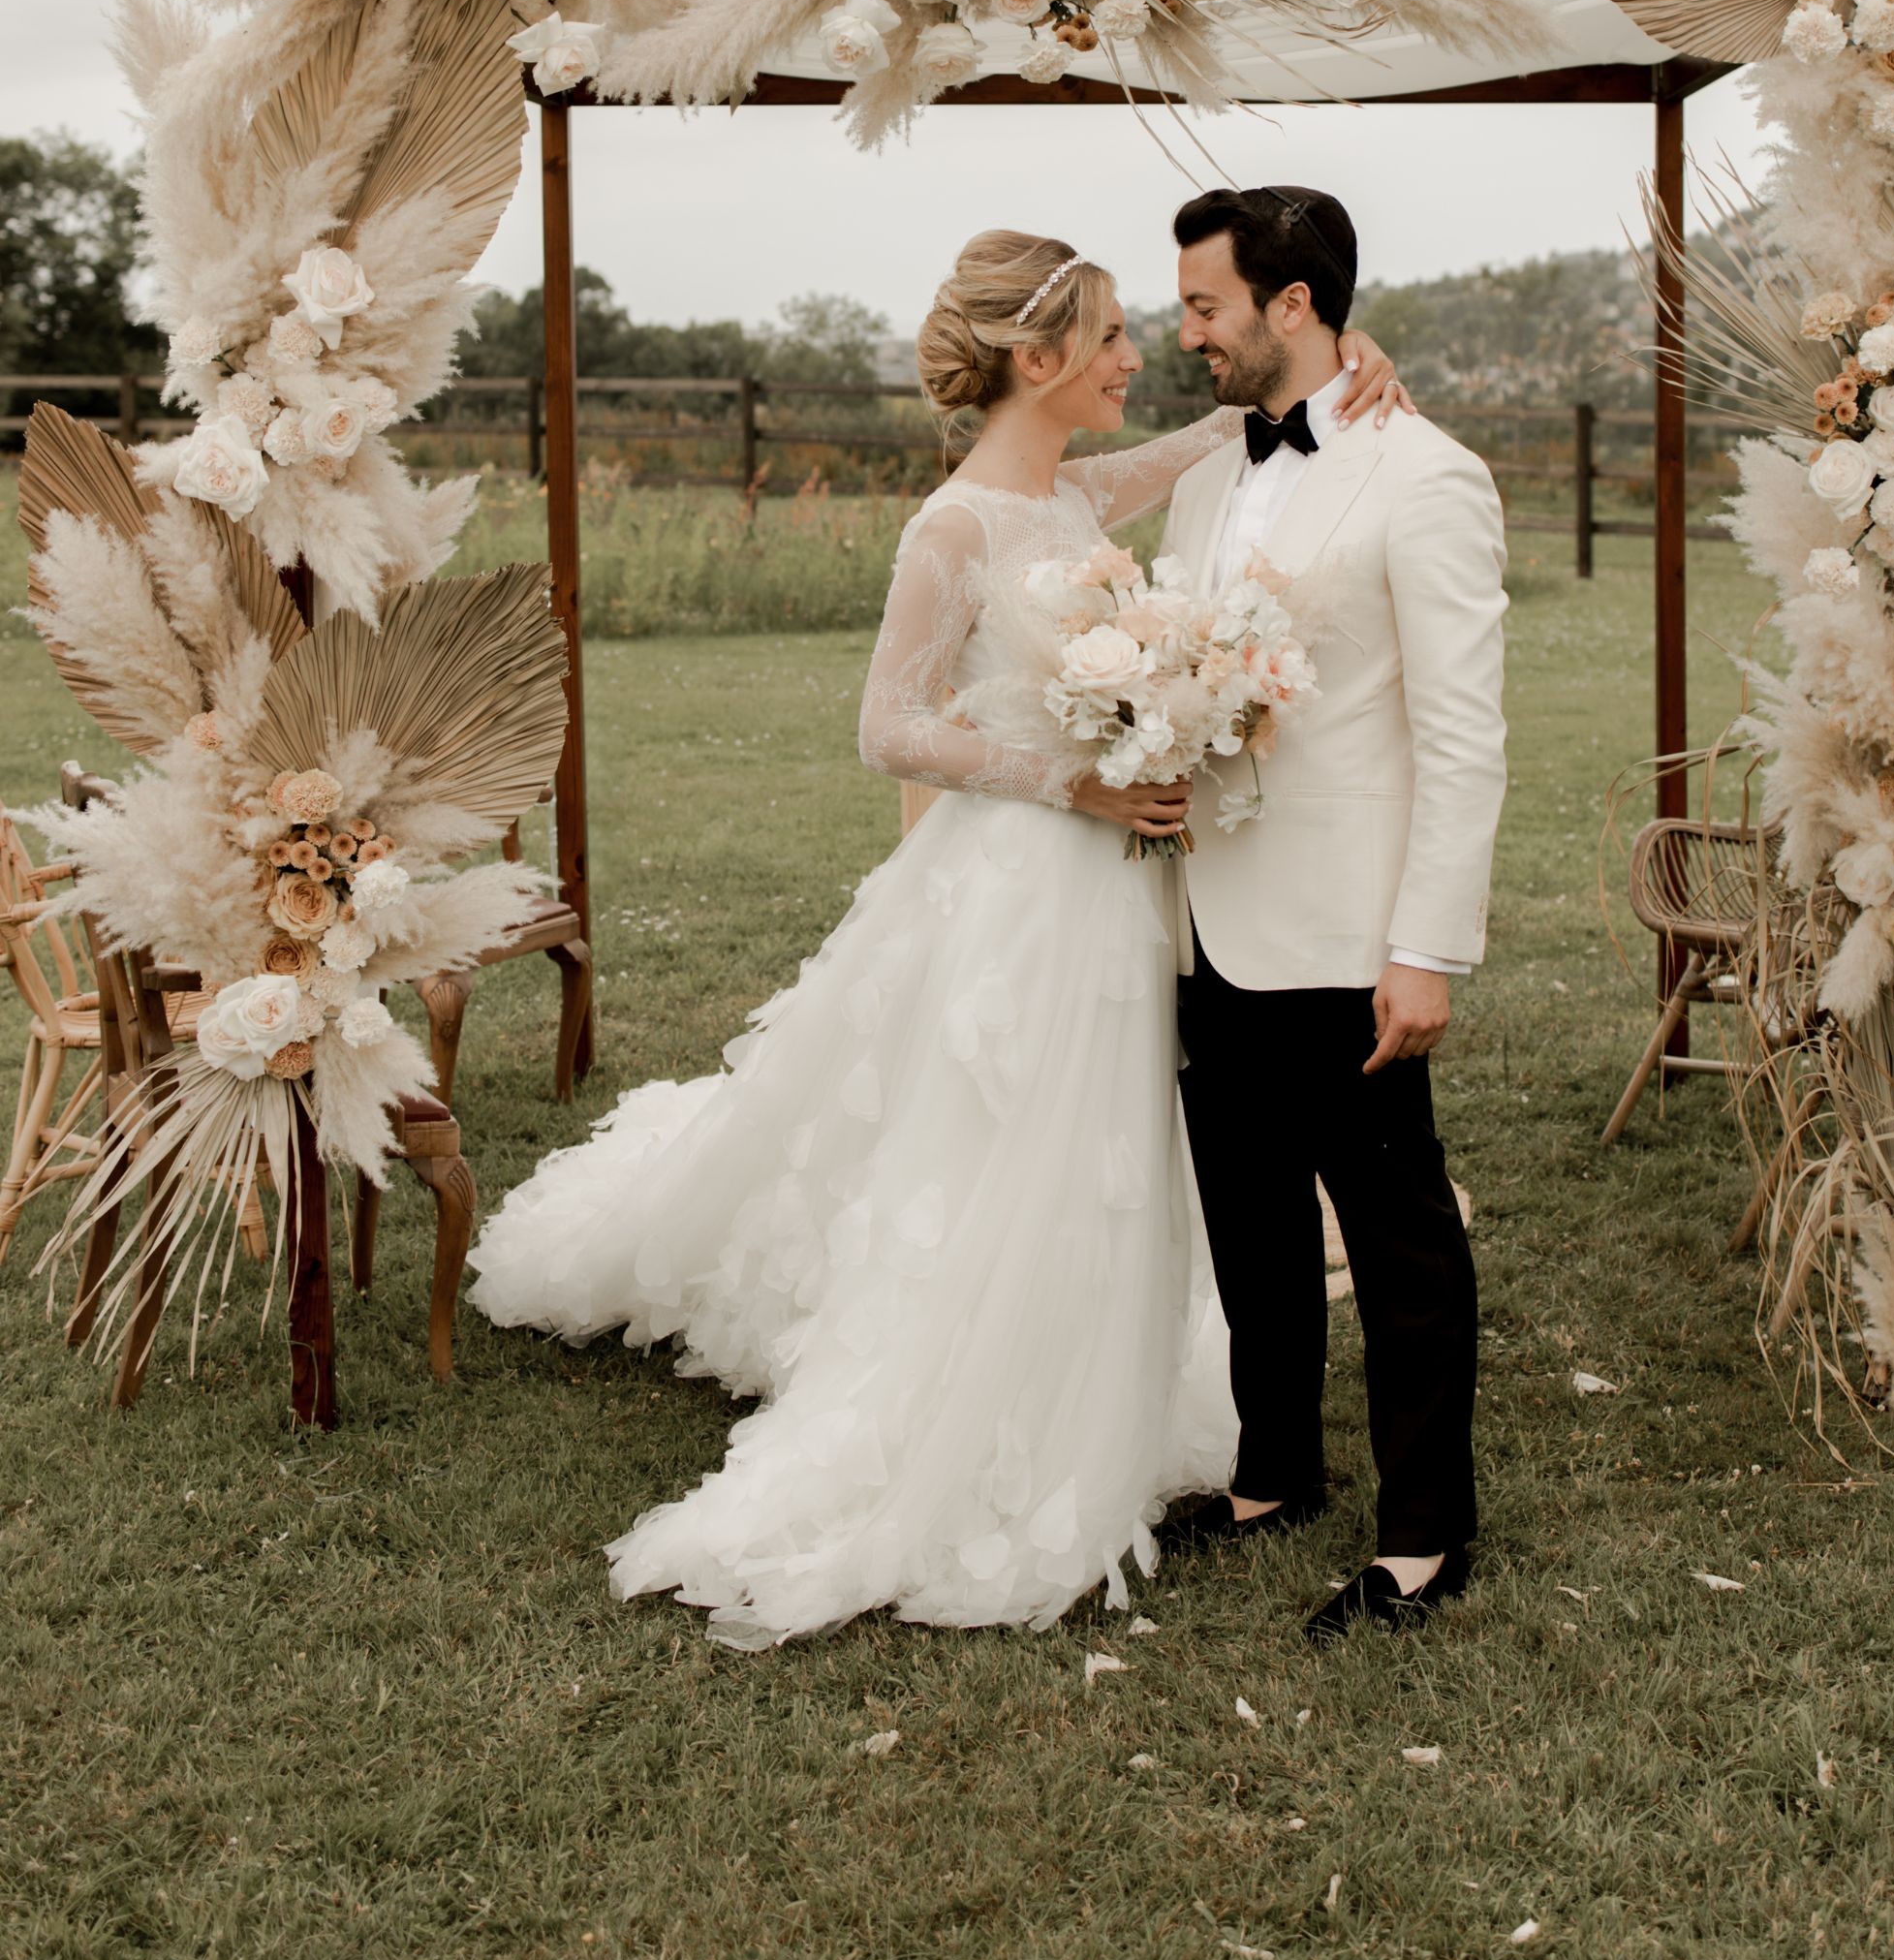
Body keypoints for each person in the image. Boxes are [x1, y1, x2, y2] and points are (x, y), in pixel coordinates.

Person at [466, 230, 1410, 1648]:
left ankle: (1090, 1361)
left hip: (1116, 887)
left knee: (1102, 1142)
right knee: (1001, 1137)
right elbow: (886, 728)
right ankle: (972, 1382)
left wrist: (1340, 373)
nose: (1135, 357)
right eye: (1107, 339)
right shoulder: (952, 530)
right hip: (1023, 878)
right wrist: (1080, 778)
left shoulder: (1083, 489)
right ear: (1039, 361)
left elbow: (1232, 422)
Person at [1159, 185, 1507, 1644]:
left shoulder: (1425, 476)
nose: (1185, 332)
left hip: (1348, 934)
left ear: (1290, 307)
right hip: (1203, 917)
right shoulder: (1202, 481)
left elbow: (1463, 732)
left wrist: (1424, 947)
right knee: (1248, 1220)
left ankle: (1425, 1535)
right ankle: (1273, 1474)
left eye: (1203, 308)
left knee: (1399, 1233)